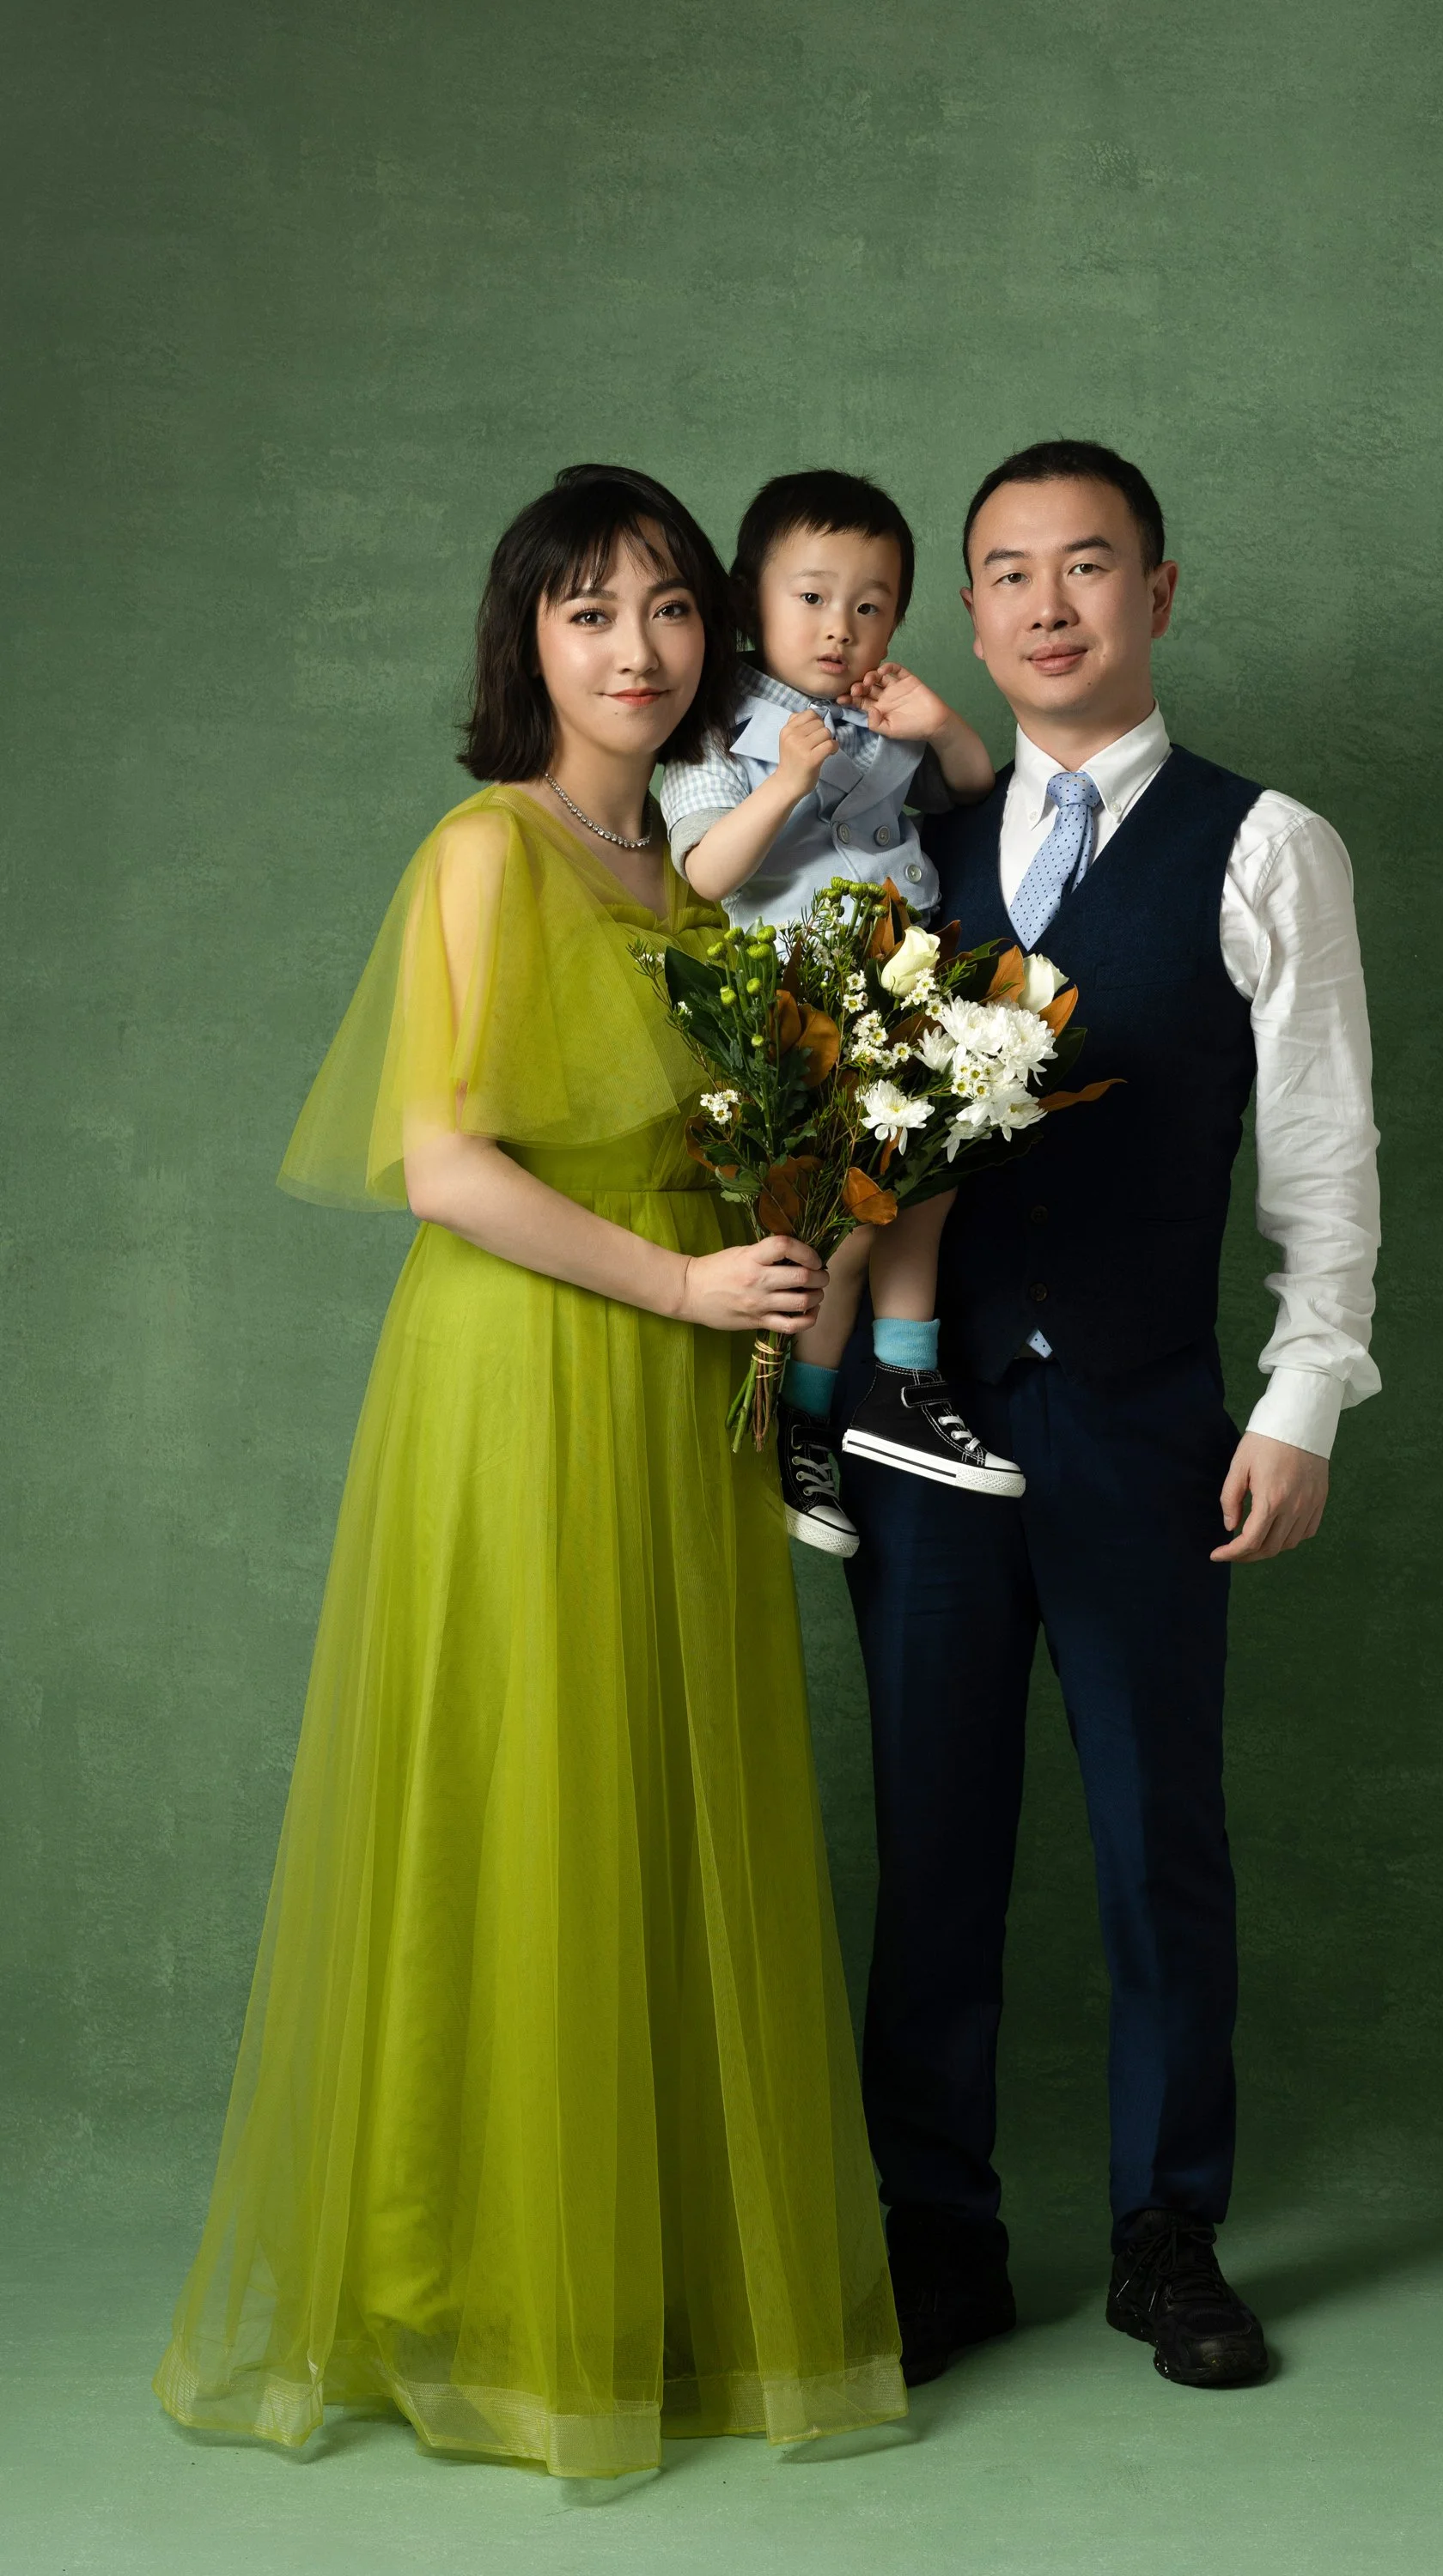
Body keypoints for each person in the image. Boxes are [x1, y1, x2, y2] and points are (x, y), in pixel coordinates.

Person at [153, 465, 905, 2479]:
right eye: (588, 612)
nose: (635, 648)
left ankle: (625, 2274)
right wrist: (687, 1277)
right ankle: (474, 2291)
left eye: (667, 607)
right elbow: (445, 1162)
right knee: (521, 1795)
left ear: (712, 637)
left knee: (646, 1797)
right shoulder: (485, 849)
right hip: (522, 1374)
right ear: (527, 643)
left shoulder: (686, 877)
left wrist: (798, 1236)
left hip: (671, 1386)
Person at [837, 440, 1381, 2391]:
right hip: (920, 1419)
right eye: (1006, 572)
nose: (1046, 603)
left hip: (1146, 1420)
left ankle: (1168, 2234)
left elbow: (1320, 1145)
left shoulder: (1265, 842)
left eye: (1086, 565)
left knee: (1159, 1834)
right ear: (968, 618)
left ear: (1155, 592)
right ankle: (936, 2239)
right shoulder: (903, 845)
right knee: (932, 1837)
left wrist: (1302, 1393)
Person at [658, 469, 1022, 1558]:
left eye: (870, 606)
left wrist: (940, 724)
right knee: (844, 1228)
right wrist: (783, 781)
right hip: (803, 1008)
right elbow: (707, 871)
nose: (840, 628)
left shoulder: (876, 709)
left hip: (901, 983)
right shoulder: (711, 722)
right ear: (747, 600)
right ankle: (804, 1423)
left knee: (928, 1186)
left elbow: (970, 790)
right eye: (812, 598)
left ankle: (902, 1381)